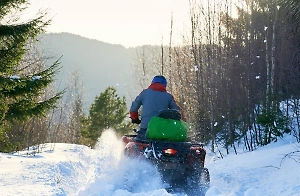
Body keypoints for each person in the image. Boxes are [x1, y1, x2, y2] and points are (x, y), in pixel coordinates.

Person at [129, 75, 184, 140]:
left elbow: (133, 108)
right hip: (162, 130)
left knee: (138, 143)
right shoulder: (168, 97)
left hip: (146, 128)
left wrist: (135, 118)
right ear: (164, 85)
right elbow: (177, 113)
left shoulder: (145, 93)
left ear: (152, 83)